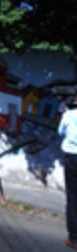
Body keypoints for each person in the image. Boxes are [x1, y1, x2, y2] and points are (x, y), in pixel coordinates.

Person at [59, 98, 77, 250]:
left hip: (72, 157)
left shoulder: (68, 115)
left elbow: (61, 132)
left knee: (72, 197)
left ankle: (74, 239)